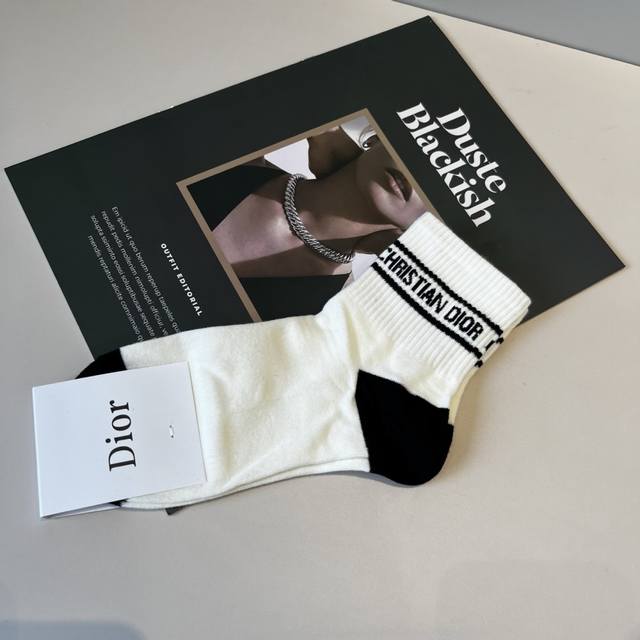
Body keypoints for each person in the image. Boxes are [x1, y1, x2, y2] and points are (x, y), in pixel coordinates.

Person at [187, 124, 430, 319]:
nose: (416, 178)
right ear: (380, 137)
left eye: (438, 192)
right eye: (429, 154)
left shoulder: (327, 316)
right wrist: (323, 127)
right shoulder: (227, 154)